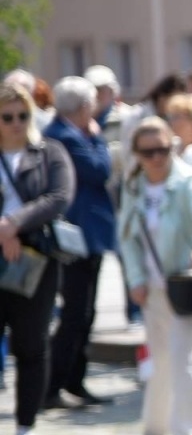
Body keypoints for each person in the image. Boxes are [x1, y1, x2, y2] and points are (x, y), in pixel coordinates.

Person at [117, 117, 192, 435]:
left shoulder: (188, 181)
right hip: (152, 289)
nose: (157, 158)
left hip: (186, 285)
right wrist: (134, 279)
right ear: (137, 154)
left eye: (163, 149)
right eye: (148, 152)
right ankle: (154, 428)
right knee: (160, 358)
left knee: (186, 357)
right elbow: (127, 238)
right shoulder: (133, 188)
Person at [0, 79, 74, 435]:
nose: (15, 122)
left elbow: (59, 196)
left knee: (32, 344)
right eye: (7, 116)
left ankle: (26, 424)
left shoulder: (48, 151)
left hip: (36, 260)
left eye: (22, 115)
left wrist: (14, 224)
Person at [42, 77, 117, 411]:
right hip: (77, 239)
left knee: (84, 313)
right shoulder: (65, 137)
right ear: (84, 107)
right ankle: (55, 385)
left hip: (86, 236)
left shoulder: (67, 133)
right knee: (76, 314)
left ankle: (73, 381)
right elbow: (100, 170)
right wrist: (99, 142)